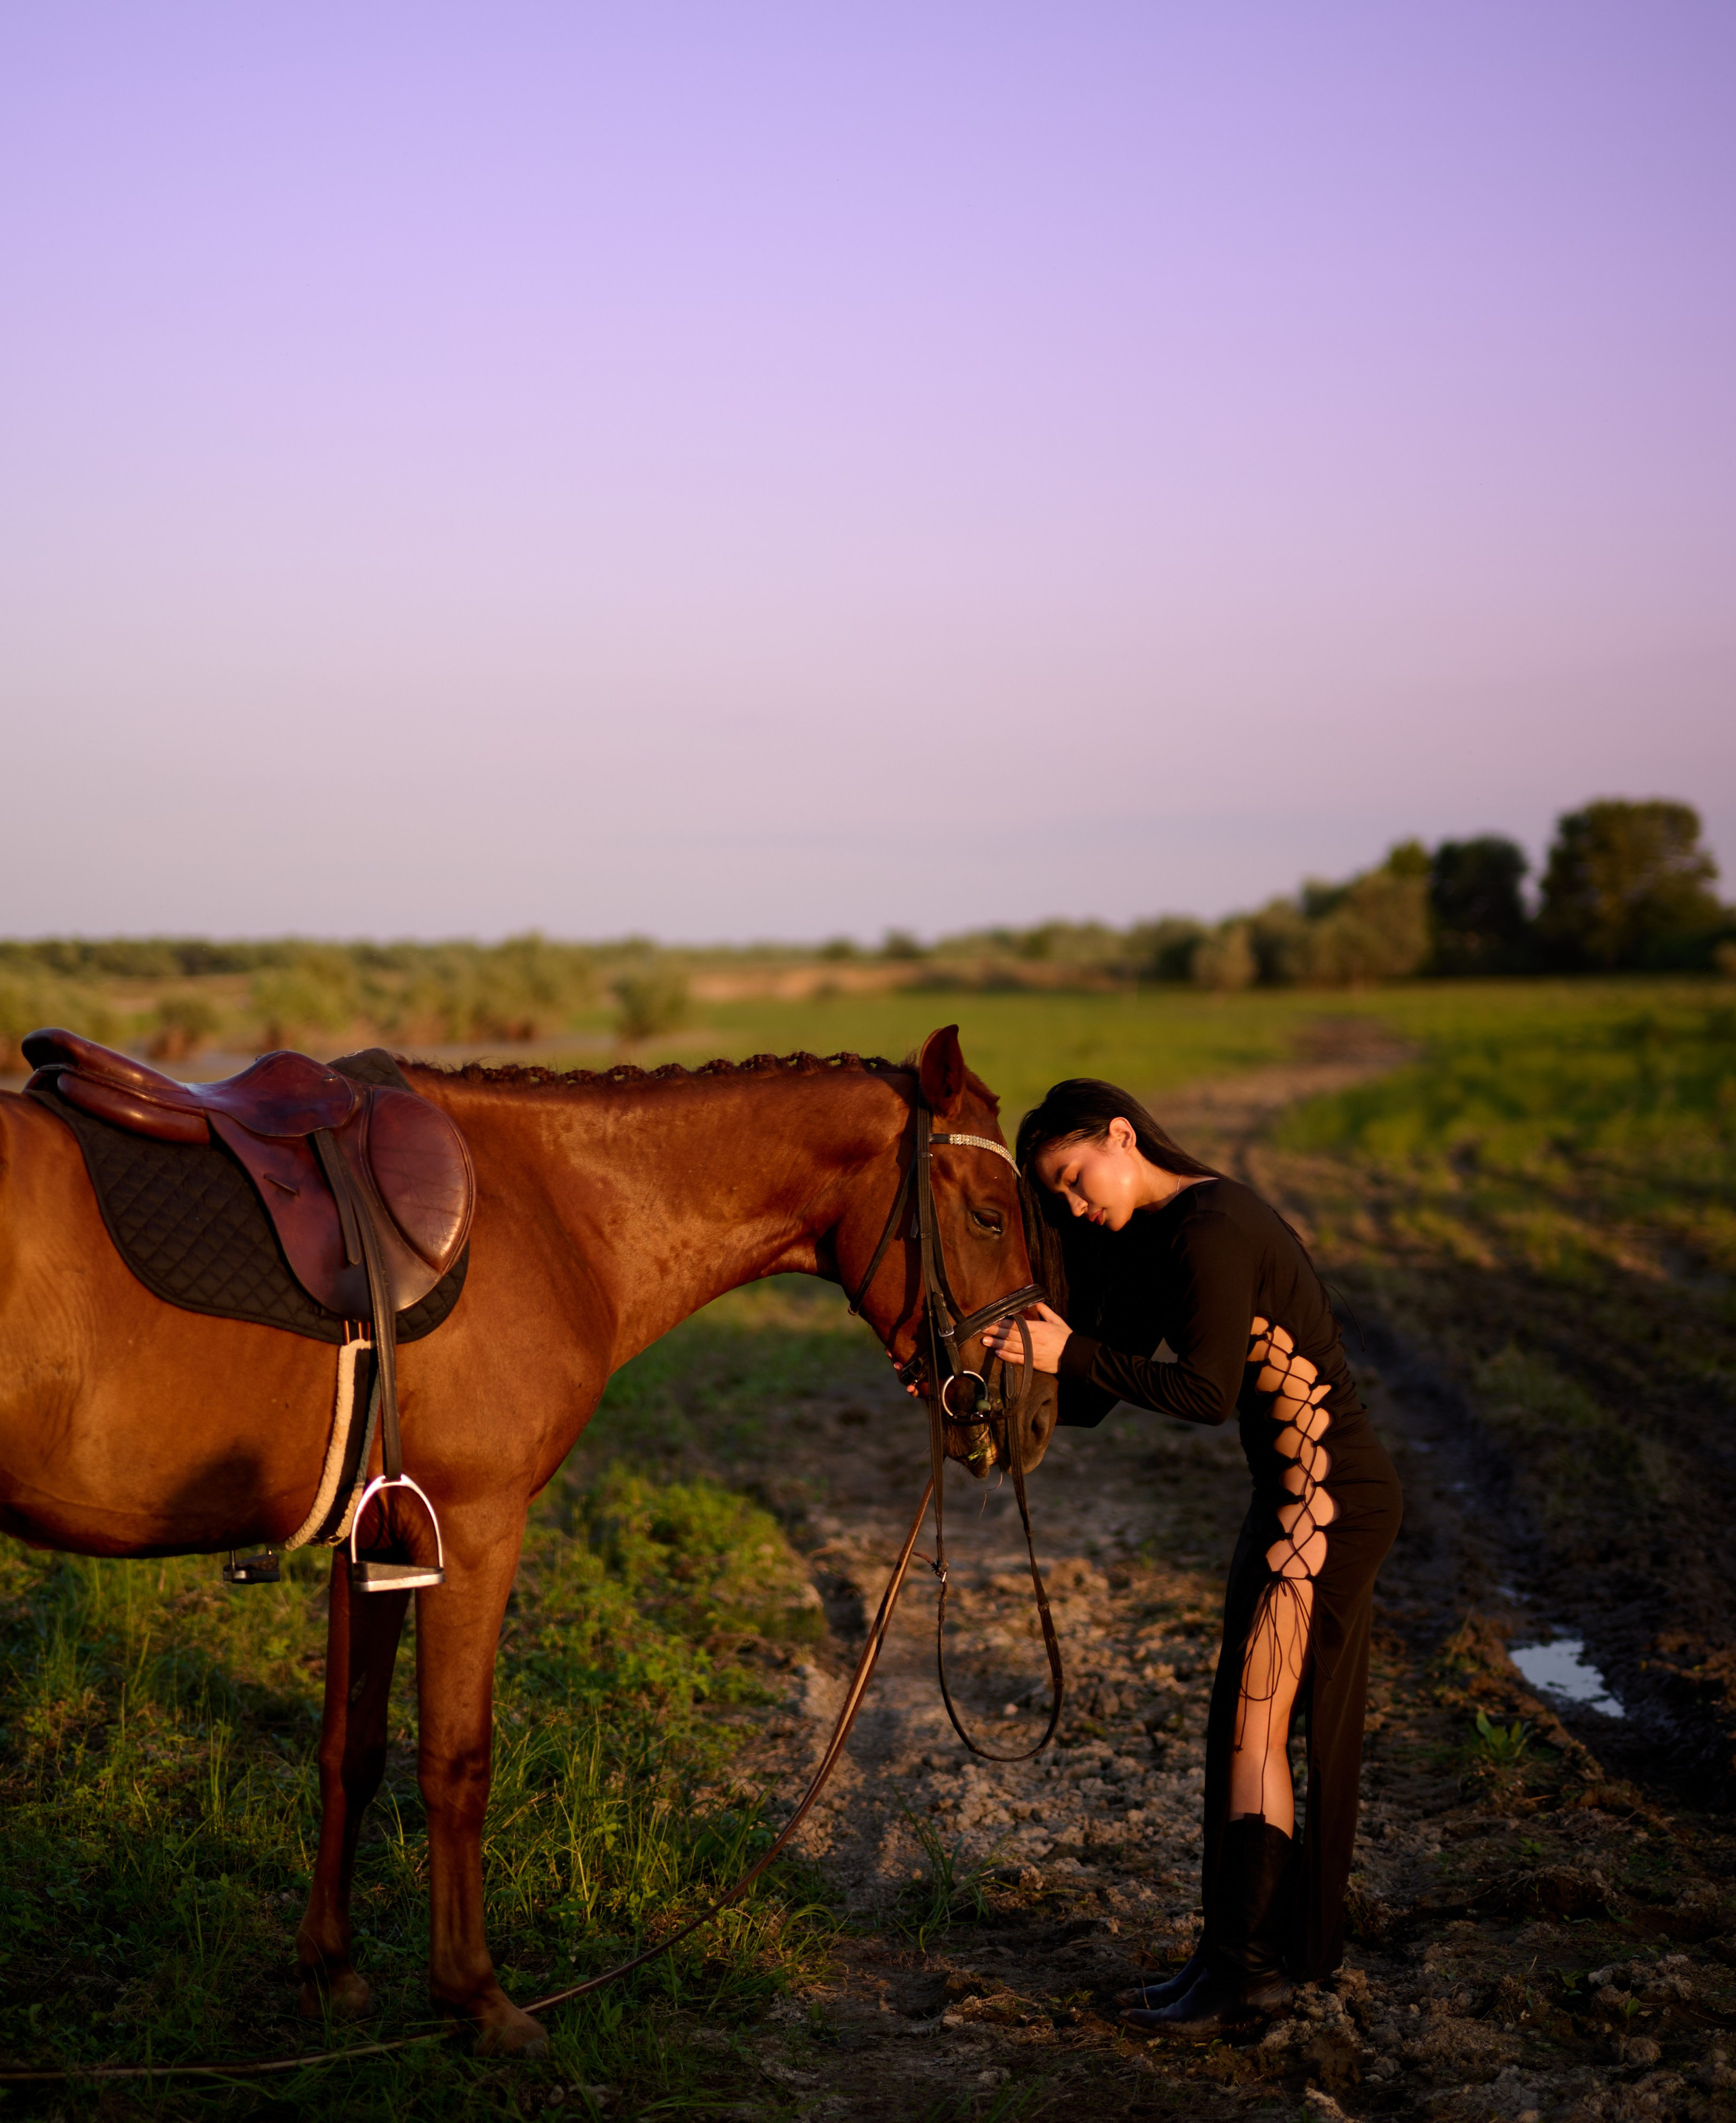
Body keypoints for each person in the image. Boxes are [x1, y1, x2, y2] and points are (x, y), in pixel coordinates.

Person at [979, 1078, 1402, 2029]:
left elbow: (1205, 1394)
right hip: (1294, 1497)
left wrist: (1068, 1354)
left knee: (1259, 1728)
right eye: (1057, 1197)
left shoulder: (1211, 1226)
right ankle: (1226, 1960)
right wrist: (963, 1375)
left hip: (1329, 1499)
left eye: (1075, 1177)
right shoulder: (1154, 1241)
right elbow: (1087, 1389)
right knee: (1239, 1732)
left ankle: (1249, 1974)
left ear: (1123, 1135)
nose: (1075, 1204)